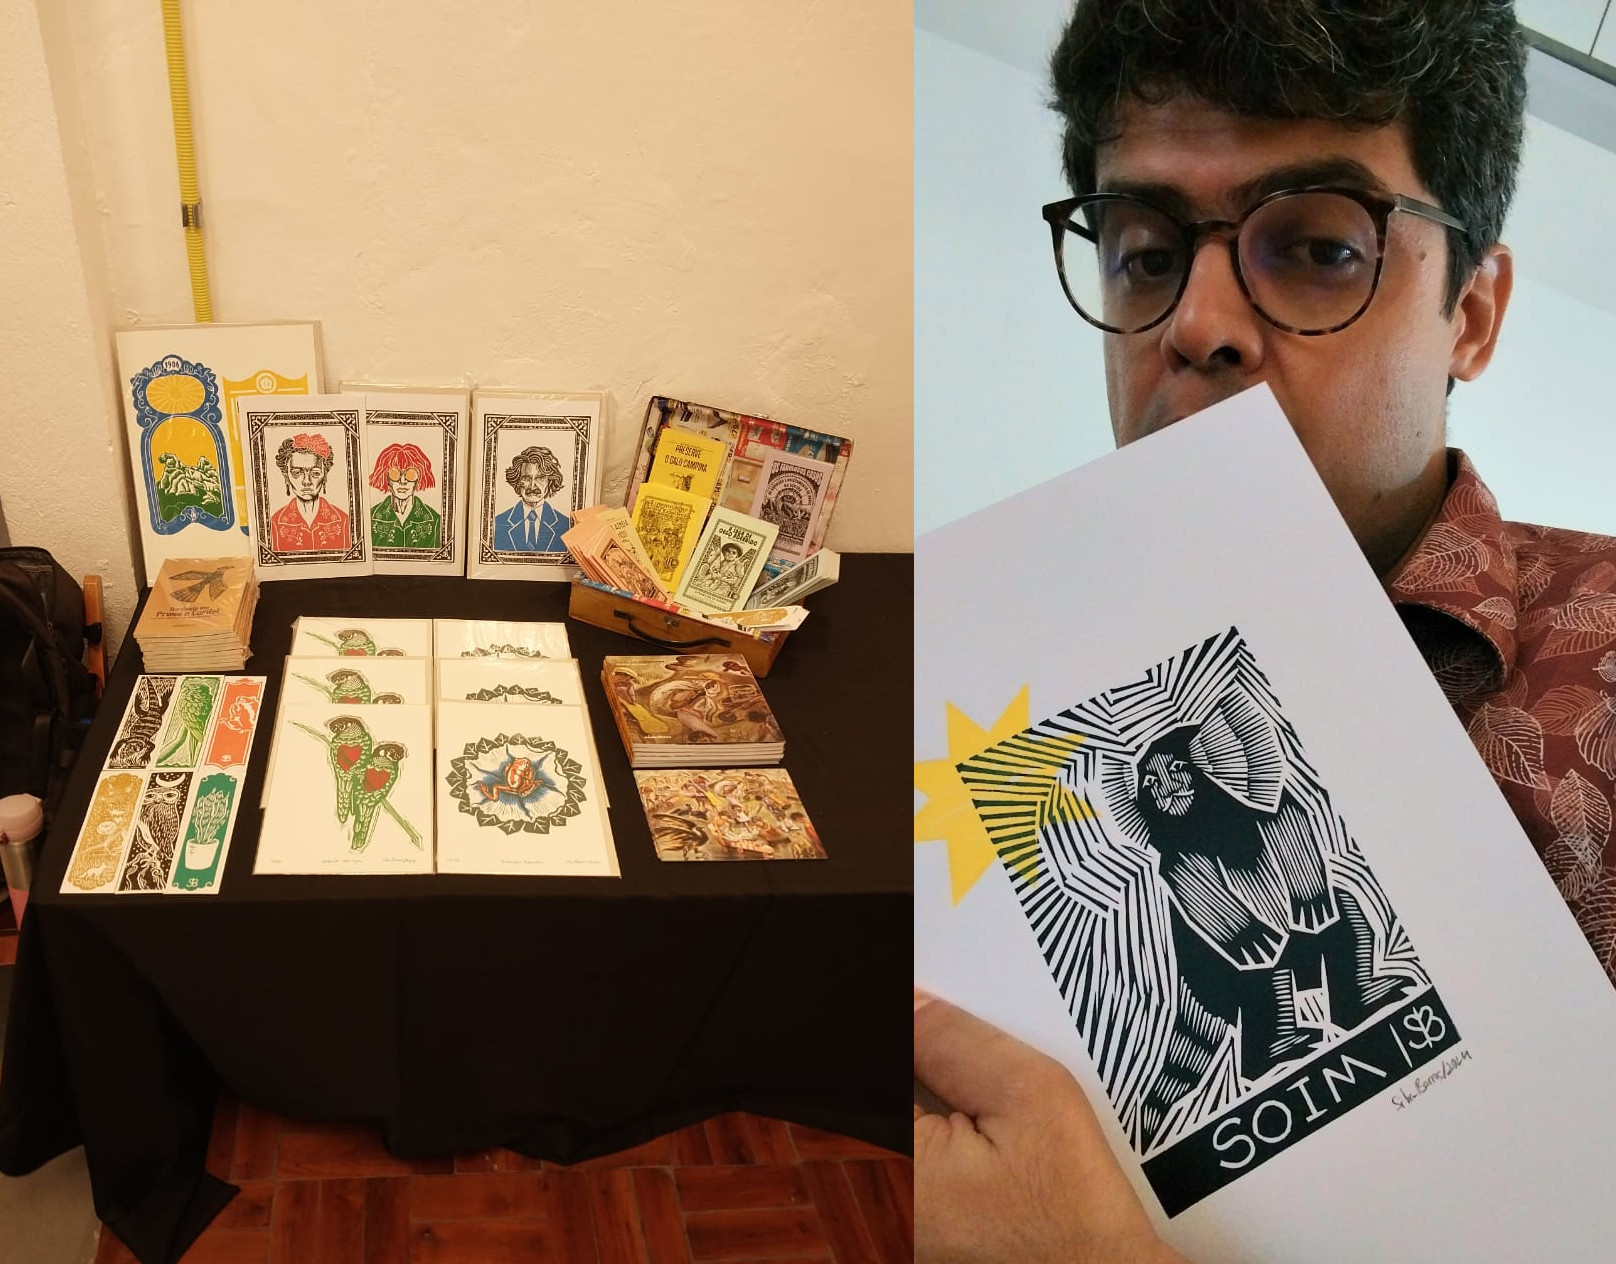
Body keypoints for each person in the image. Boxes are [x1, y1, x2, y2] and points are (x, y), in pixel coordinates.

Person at [915, 3, 1616, 1261]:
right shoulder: (974, 688)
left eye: (1315, 249)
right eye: (1143, 254)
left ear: (1470, 313)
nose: (1195, 325)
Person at [268, 432, 350, 552]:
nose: (306, 481)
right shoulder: (275, 523)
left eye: (315, 473)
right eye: (297, 473)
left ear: (325, 475)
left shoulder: (343, 521)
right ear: (286, 477)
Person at [492, 445, 568, 552]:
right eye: (526, 478)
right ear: (517, 481)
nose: (532, 486)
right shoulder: (498, 522)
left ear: (550, 481)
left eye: (540, 478)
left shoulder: (565, 524)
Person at [367, 442, 442, 548]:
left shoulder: (435, 521)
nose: (402, 481)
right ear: (385, 477)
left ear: (419, 478)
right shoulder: (370, 518)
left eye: (411, 474)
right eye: (394, 474)